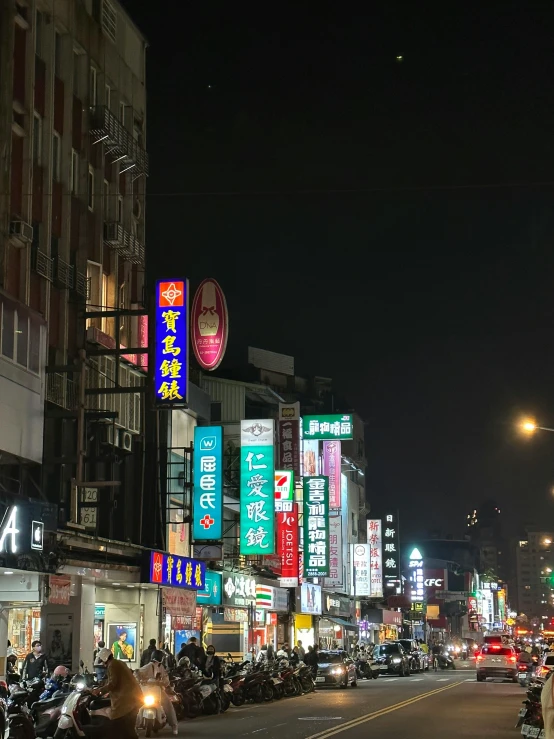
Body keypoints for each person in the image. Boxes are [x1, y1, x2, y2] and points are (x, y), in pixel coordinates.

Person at [93, 647, 143, 738]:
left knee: (123, 727)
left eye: (102, 660)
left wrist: (99, 690)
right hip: (134, 699)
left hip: (127, 701)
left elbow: (113, 683)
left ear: (105, 658)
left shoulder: (112, 665)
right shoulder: (119, 662)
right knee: (126, 728)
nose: (102, 663)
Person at [135, 649, 178, 736]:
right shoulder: (148, 666)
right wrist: (140, 680)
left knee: (168, 704)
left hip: (158, 691)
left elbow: (166, 679)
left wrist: (164, 683)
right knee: (135, 705)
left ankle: (174, 726)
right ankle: (135, 725)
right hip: (146, 691)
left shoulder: (161, 667)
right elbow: (137, 672)